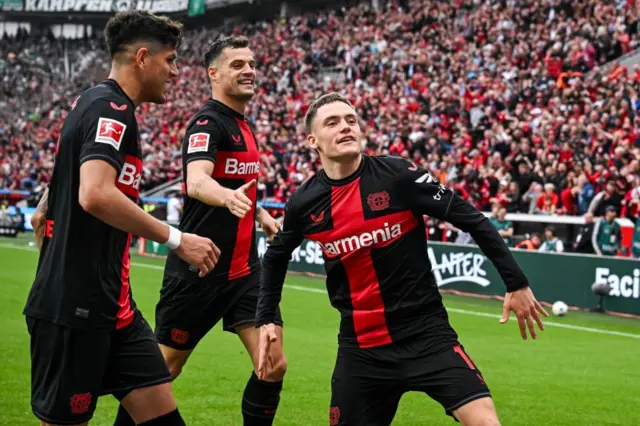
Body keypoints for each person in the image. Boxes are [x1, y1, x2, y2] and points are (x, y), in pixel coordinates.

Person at [255, 93, 548, 426]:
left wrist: (517, 282)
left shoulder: (398, 175)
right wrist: (267, 318)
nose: (346, 127)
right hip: (361, 348)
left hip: (426, 335)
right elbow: (276, 255)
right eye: (332, 122)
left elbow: (473, 220)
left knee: (485, 422)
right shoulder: (304, 202)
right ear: (313, 141)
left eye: (351, 120)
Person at [24, 11, 221, 426]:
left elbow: (45, 210)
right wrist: (176, 238)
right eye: (170, 61)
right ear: (143, 58)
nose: (175, 72)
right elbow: (95, 194)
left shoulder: (94, 103)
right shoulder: (111, 109)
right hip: (75, 310)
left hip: (115, 308)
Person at [114, 35, 287, 426]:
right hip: (199, 271)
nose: (249, 70)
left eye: (252, 64)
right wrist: (226, 199)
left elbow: (236, 183)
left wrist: (258, 214)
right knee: (162, 373)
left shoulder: (244, 125)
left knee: (272, 364)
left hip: (245, 272)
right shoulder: (207, 123)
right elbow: (197, 181)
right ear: (214, 73)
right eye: (238, 64)